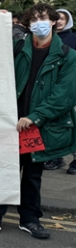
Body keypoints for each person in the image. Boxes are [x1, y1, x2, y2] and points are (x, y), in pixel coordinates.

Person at [0, 4, 76, 239]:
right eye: (32, 19)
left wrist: (35, 117)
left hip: (39, 126)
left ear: (53, 21)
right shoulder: (17, 48)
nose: (38, 23)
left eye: (42, 18)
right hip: (9, 125)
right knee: (1, 171)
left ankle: (30, 220)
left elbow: (65, 95)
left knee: (33, 175)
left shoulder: (68, 55)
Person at [42, 9, 76, 172]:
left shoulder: (73, 39)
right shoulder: (47, 39)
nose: (60, 22)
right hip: (50, 86)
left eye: (64, 19)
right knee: (53, 123)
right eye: (58, 18)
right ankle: (55, 157)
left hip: (70, 85)